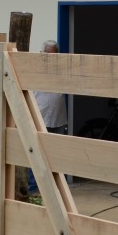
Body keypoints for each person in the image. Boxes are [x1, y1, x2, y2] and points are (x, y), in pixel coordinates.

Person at [30, 39, 67, 194]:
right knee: (36, 153)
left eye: (54, 54)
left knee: (57, 154)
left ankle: (58, 187)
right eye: (48, 54)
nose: (51, 57)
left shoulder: (61, 69)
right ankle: (34, 186)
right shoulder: (34, 69)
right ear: (42, 53)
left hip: (58, 118)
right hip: (40, 116)